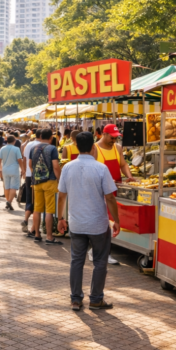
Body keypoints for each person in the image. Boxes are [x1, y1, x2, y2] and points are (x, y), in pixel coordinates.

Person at [57, 132, 120, 311]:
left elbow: (62, 196)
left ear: (76, 147)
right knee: (100, 261)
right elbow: (110, 197)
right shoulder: (101, 168)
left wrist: (61, 218)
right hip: (98, 224)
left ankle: (76, 299)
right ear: (93, 147)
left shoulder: (68, 167)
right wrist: (116, 220)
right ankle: (96, 299)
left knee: (76, 261)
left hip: (76, 223)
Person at [92, 124, 135, 264]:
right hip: (101, 192)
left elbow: (122, 164)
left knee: (110, 222)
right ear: (104, 134)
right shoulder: (95, 149)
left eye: (116, 137)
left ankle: (97, 251)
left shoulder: (117, 148)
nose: (114, 140)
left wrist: (129, 176)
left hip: (116, 189)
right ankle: (103, 253)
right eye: (112, 137)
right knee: (104, 222)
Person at [30, 129, 61, 244]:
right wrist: (60, 179)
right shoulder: (52, 148)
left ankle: (37, 234)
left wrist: (36, 176)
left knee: (37, 209)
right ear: (51, 138)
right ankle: (49, 236)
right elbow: (56, 166)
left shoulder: (33, 148)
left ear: (41, 136)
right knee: (49, 210)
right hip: (50, 181)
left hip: (36, 182)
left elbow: (30, 165)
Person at [22, 130, 42, 234]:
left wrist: (24, 171)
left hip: (29, 175)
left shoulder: (28, 144)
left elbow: (24, 159)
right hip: (39, 176)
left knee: (29, 200)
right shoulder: (42, 146)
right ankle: (33, 228)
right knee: (37, 202)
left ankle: (26, 220)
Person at [0, 135, 24, 211]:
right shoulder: (16, 149)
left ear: (7, 140)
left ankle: (8, 201)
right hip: (14, 170)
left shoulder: (2, 148)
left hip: (5, 169)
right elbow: (19, 160)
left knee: (7, 186)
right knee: (13, 187)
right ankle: (9, 201)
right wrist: (23, 169)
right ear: (14, 141)